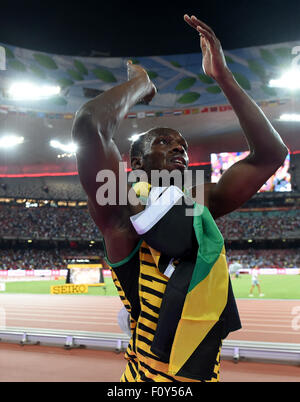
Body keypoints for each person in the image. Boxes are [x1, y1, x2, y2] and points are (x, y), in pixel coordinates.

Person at [71, 14, 288, 382]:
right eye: (164, 141)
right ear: (136, 163)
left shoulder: (196, 206)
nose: (179, 148)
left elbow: (270, 156)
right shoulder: (122, 211)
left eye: (184, 145)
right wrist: (141, 84)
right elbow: (89, 125)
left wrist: (223, 78)